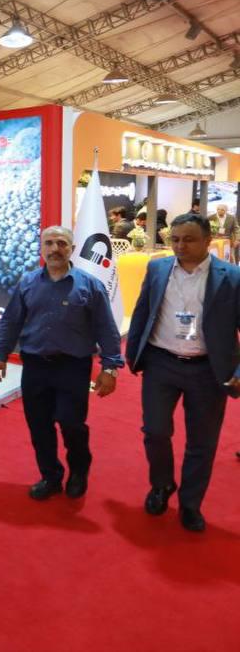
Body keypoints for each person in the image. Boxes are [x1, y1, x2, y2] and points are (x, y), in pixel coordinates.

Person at [125, 213, 240, 532]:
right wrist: (132, 353)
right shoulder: (157, 268)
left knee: (202, 442)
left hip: (208, 369)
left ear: (207, 241)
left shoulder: (232, 277)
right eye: (175, 239)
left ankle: (190, 504)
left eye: (189, 239)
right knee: (155, 431)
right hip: (161, 363)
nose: (180, 245)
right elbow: (142, 311)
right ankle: (162, 485)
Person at [0, 226, 123, 500]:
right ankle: (50, 476)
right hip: (35, 366)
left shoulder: (90, 285)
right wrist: (1, 354)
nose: (55, 249)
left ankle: (78, 471)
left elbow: (106, 328)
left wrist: (110, 368)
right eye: (49, 243)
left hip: (73, 367)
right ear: (41, 249)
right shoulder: (28, 283)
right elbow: (11, 321)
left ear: (72, 249)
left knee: (71, 423)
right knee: (39, 425)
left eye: (61, 243)